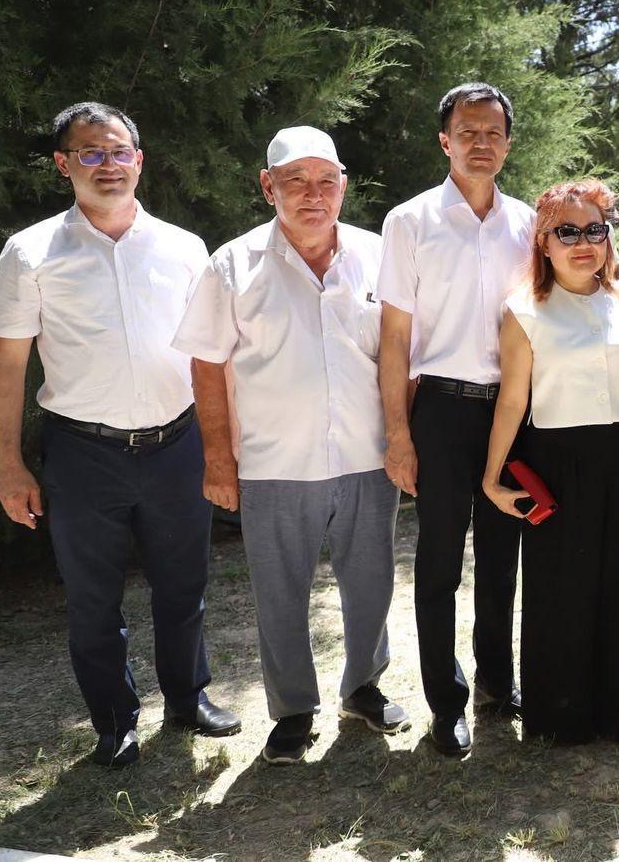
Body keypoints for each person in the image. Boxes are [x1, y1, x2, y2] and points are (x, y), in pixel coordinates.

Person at [0, 102, 240, 767]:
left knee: (183, 588)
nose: (107, 165)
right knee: (93, 601)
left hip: (177, 446)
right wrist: (10, 465)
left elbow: (213, 355)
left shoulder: (184, 248)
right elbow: (6, 362)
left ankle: (187, 699)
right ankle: (114, 721)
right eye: (89, 153)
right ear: (63, 163)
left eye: (119, 151)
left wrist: (224, 446)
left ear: (139, 160)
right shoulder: (31, 252)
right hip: (82, 454)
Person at [172, 126, 406, 764]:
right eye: (295, 181)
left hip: (367, 455)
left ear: (343, 187)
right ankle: (293, 709)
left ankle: (363, 687)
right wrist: (218, 458)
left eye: (326, 180)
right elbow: (207, 364)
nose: (313, 194)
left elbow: (400, 354)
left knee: (372, 584)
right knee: (279, 592)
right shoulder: (232, 264)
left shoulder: (379, 255)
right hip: (273, 461)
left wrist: (403, 438)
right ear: (267, 185)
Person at [376, 83, 535, 757]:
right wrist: (398, 434)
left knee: (502, 560)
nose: (480, 143)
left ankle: (498, 683)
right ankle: (447, 703)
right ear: (445, 141)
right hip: (439, 410)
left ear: (508, 143)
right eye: (467, 132)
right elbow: (393, 338)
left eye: (493, 132)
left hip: (513, 413)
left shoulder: (529, 224)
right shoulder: (409, 222)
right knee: (439, 563)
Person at [480, 179, 619, 746]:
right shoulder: (523, 309)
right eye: (567, 232)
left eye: (594, 230)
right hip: (557, 457)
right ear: (544, 242)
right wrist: (492, 476)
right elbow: (513, 400)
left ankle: (614, 711)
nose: (583, 243)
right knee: (561, 588)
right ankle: (559, 716)